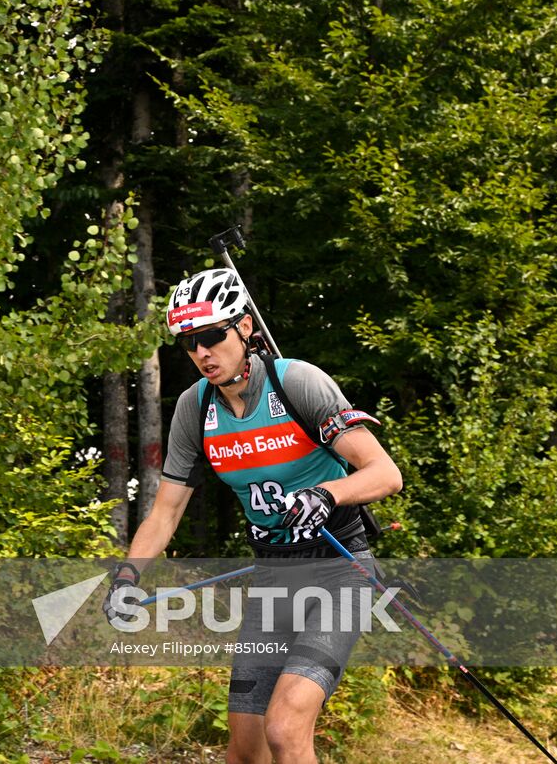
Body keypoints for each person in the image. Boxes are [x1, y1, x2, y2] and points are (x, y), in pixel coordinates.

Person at [104, 267, 402, 764]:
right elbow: (166, 511)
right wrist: (129, 575)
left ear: (243, 327)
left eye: (211, 336)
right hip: (274, 580)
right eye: (188, 341)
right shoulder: (193, 409)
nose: (201, 352)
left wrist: (326, 495)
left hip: (339, 573)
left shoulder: (296, 383)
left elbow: (385, 473)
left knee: (285, 727)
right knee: (245, 751)